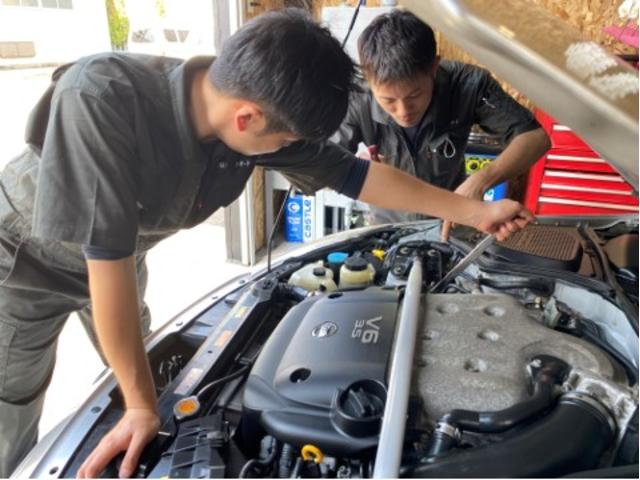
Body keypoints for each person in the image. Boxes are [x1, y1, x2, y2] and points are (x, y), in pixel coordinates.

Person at [0, 9, 533, 479]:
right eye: (281, 144)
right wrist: (141, 407)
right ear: (246, 119)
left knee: (144, 384)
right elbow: (105, 262)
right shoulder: (101, 97)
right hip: (22, 265)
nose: (285, 153)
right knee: (15, 401)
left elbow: (356, 177)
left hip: (121, 257)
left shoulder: (253, 101)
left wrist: (475, 209)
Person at [332, 9, 551, 239]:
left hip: (454, 222)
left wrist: (480, 182)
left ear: (434, 67)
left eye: (414, 95)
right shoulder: (356, 97)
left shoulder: (468, 85)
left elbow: (535, 138)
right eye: (388, 101)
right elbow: (324, 167)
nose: (403, 111)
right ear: (368, 80)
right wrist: (357, 168)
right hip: (388, 228)